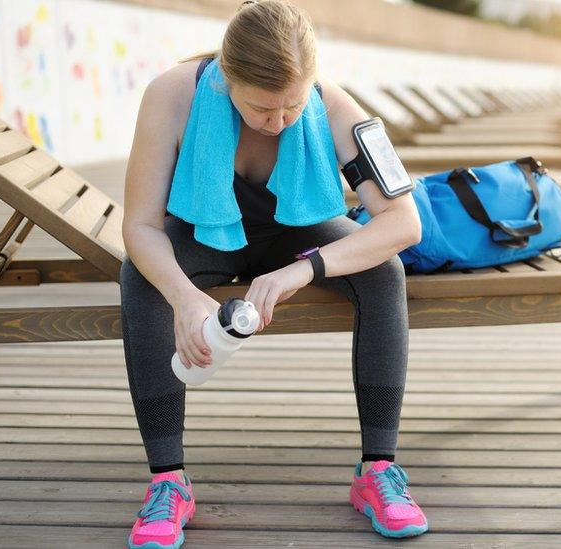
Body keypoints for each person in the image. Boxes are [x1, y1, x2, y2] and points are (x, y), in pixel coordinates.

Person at [119, 1, 427, 546]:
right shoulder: (174, 94)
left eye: (293, 105)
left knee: (385, 274)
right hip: (199, 233)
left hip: (296, 233)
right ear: (227, 80)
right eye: (261, 108)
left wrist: (305, 270)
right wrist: (186, 297)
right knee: (141, 277)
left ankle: (377, 470)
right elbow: (141, 226)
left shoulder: (333, 105)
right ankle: (168, 481)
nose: (279, 121)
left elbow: (403, 223)